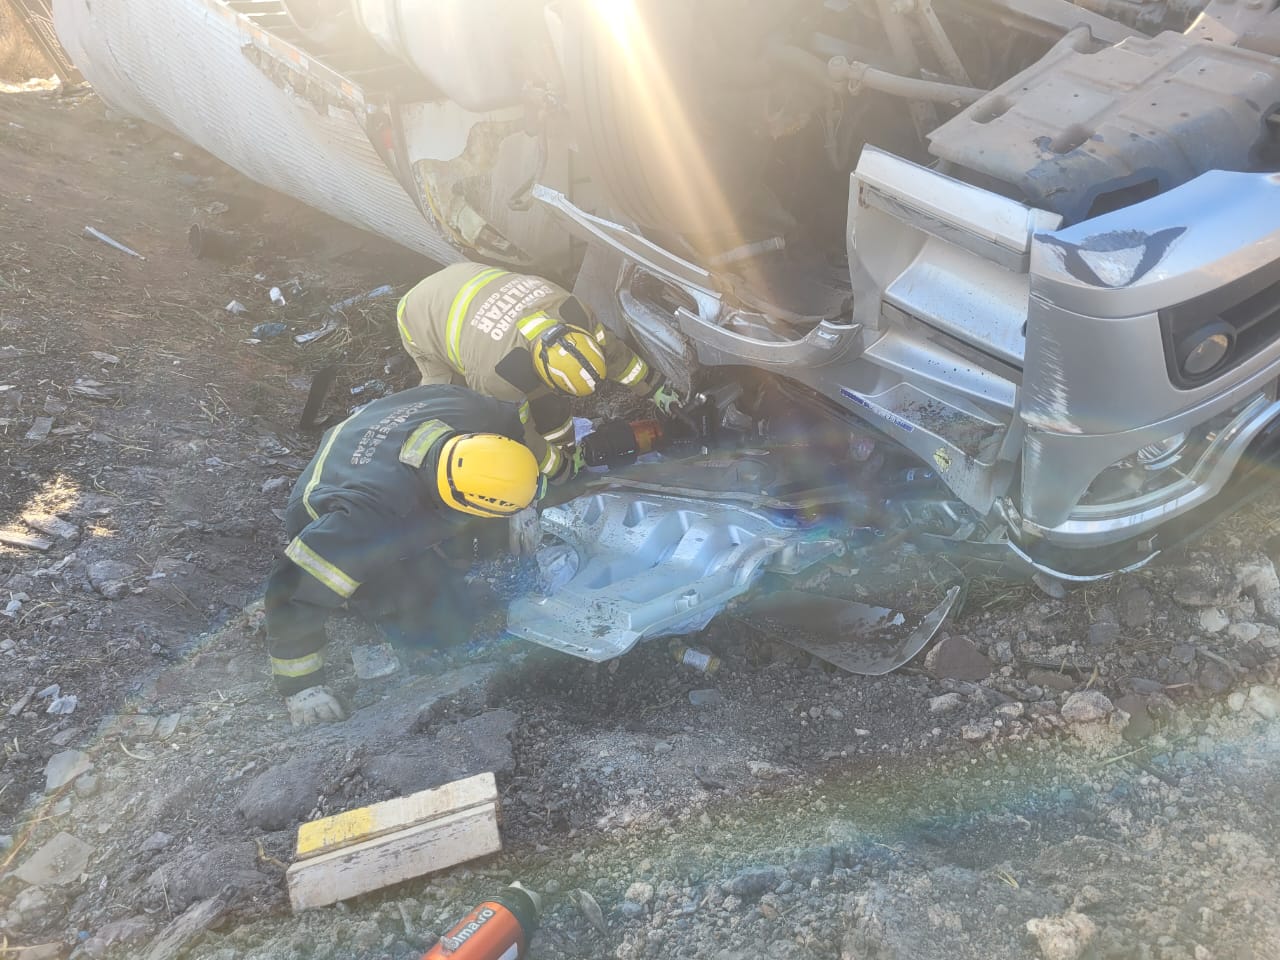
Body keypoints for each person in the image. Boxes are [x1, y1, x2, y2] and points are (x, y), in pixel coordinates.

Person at [265, 383, 544, 727]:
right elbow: (293, 591)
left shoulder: (476, 414)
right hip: (322, 510)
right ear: (453, 503)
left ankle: (455, 552)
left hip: (365, 444)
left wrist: (524, 504)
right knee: (422, 614)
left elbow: (512, 424)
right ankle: (374, 606)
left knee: (481, 536)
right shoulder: (368, 521)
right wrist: (302, 687)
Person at [395, 262, 682, 484]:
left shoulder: (573, 311)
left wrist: (656, 388)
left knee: (549, 406)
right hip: (422, 314)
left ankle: (562, 448)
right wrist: (556, 470)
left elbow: (614, 354)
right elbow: (517, 432)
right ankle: (430, 466)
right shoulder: (498, 374)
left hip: (466, 279)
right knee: (454, 402)